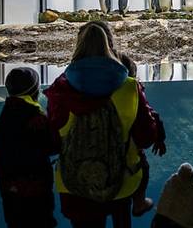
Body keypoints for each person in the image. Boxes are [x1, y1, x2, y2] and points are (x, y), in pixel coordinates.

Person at [44, 22, 158, 228]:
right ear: (110, 44)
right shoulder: (129, 87)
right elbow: (146, 136)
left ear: (78, 45)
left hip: (74, 184)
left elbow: (52, 138)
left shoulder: (60, 90)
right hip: (121, 181)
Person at [87, 20, 168, 216]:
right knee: (125, 202)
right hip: (126, 163)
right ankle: (139, 202)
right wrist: (159, 138)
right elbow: (150, 121)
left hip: (87, 170)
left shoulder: (80, 83)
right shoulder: (130, 88)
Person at [0, 67, 57, 228]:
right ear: (35, 91)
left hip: (10, 195)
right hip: (38, 195)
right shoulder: (38, 120)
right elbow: (53, 147)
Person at [151, 163, 193, 228]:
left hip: (162, 218)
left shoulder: (172, 180)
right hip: (181, 223)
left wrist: (160, 212)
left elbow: (163, 197)